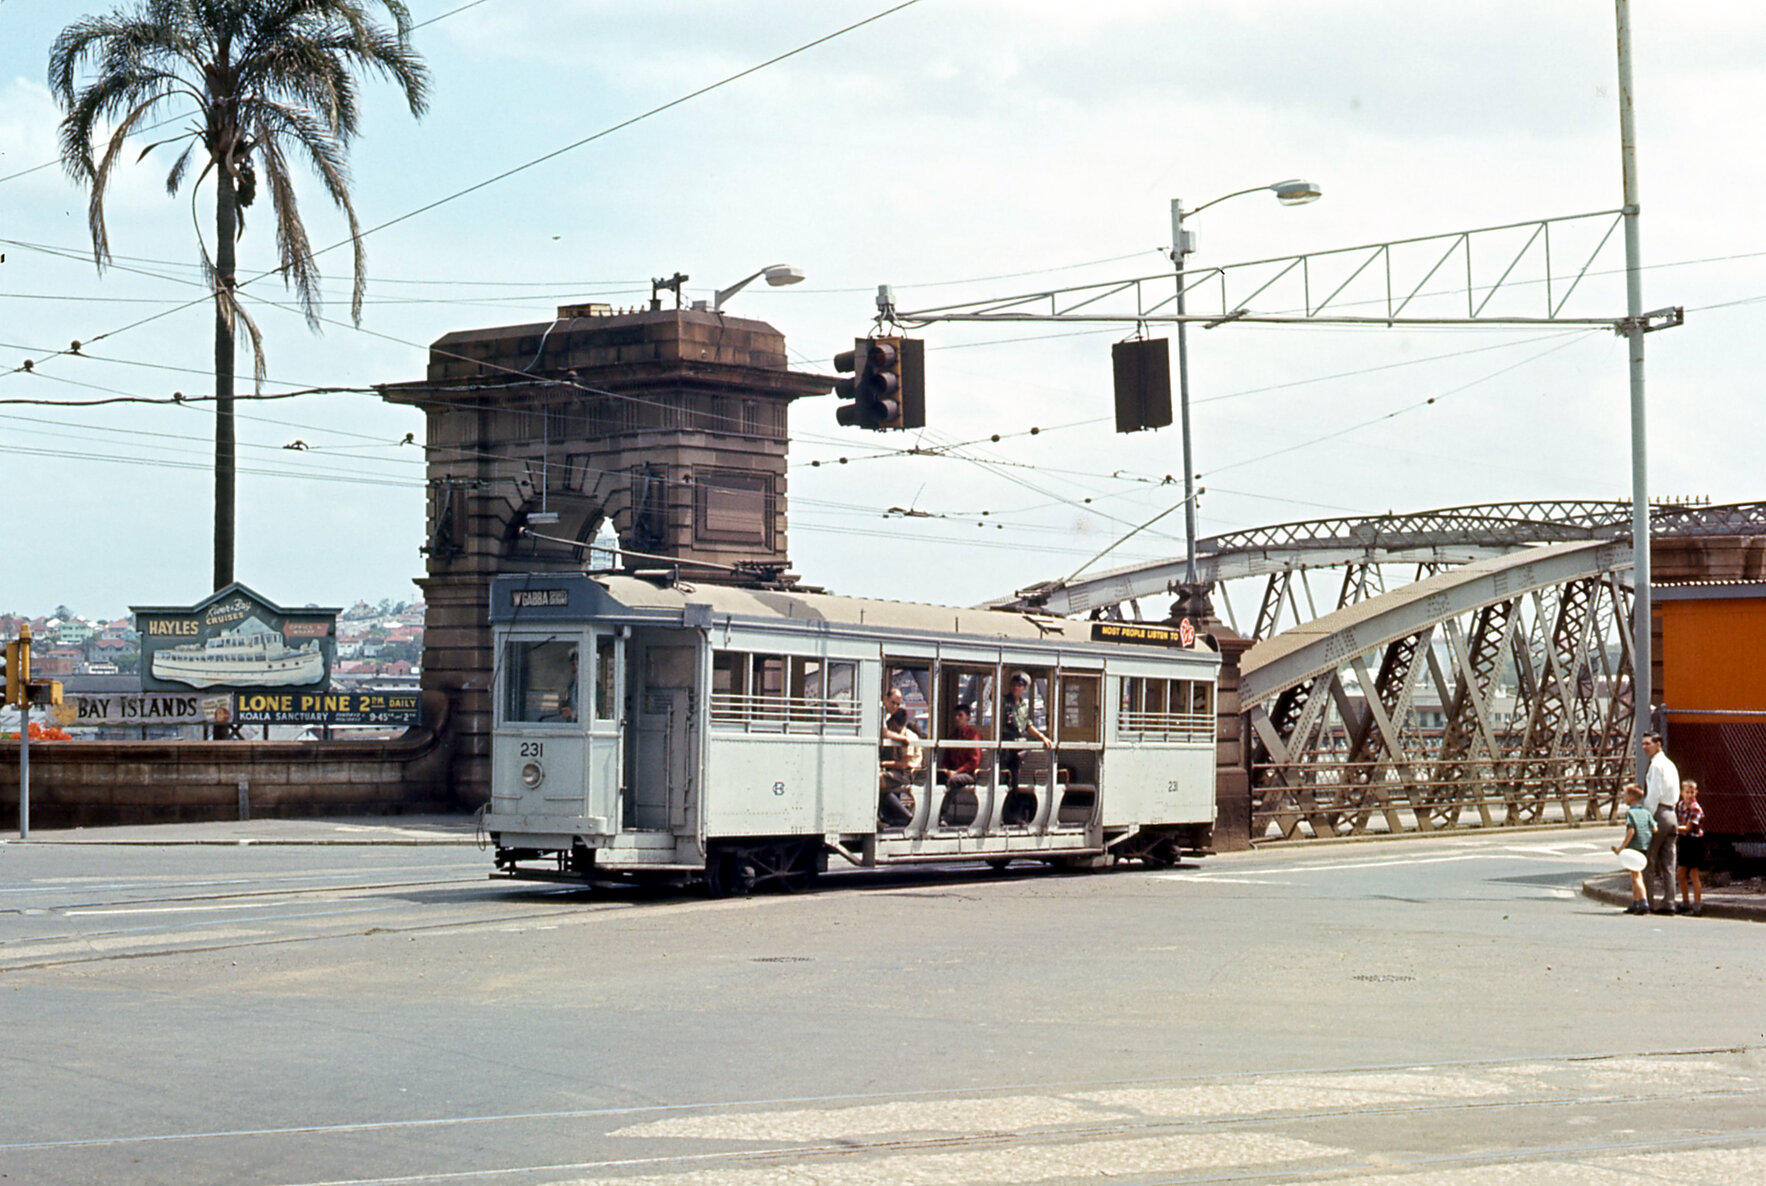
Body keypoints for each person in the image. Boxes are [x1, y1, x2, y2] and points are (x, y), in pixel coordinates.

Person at [1000, 672, 1052, 826]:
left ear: (1024, 688)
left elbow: (1028, 725)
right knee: (1003, 779)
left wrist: (1043, 738)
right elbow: (992, 698)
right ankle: (1001, 814)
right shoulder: (1004, 702)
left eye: (1019, 685)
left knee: (1014, 781)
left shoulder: (1023, 706)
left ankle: (1012, 815)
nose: (1015, 688)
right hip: (1005, 746)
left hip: (1017, 748)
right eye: (1013, 684)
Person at [1641, 731, 1680, 914]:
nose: (1644, 747)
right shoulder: (1670, 764)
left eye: (1647, 743)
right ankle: (1669, 901)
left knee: (1649, 858)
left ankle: (1646, 901)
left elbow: (1653, 795)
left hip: (1659, 813)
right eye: (1643, 744)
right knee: (1669, 862)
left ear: (1658, 744)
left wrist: (1647, 817)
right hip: (1672, 813)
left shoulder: (1656, 766)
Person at [1612, 783, 1654, 915]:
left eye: (1624, 794)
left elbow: (1631, 831)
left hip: (1634, 847)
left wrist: (1621, 848)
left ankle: (1643, 901)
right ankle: (1635, 902)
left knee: (1636, 876)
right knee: (1634, 874)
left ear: (1631, 797)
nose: (1623, 797)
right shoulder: (1646, 812)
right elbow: (1655, 828)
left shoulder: (1630, 813)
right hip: (1644, 846)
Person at [938, 703, 983, 826]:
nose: (956, 718)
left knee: (954, 780)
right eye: (955, 716)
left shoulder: (973, 736)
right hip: (953, 772)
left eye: (960, 715)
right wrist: (946, 770)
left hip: (968, 774)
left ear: (967, 717)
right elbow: (947, 758)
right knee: (937, 777)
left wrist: (957, 772)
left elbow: (974, 761)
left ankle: (942, 814)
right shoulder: (953, 737)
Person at [1676, 778, 1706, 916]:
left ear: (1696, 793)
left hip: (1694, 842)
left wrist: (1672, 828)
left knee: (1694, 874)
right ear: (1682, 793)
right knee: (1681, 873)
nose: (1690, 795)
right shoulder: (1680, 805)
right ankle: (1685, 901)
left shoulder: (1695, 809)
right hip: (1684, 841)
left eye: (1692, 792)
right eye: (1687, 792)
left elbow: (1688, 828)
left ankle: (1697, 904)